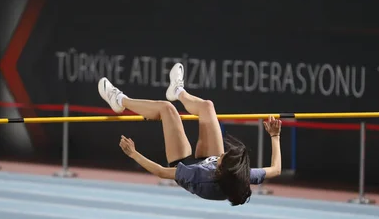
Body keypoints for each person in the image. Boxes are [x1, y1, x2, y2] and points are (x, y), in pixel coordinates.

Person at [98, 63, 282, 206]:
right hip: (211, 164)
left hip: (184, 163)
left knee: (167, 109)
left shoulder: (198, 175)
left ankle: (119, 100)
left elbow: (161, 172)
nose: (224, 153)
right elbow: (276, 169)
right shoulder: (240, 174)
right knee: (207, 106)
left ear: (222, 169)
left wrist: (133, 153)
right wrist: (275, 136)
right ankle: (177, 90)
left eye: (224, 157)